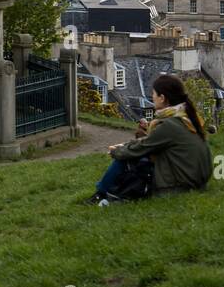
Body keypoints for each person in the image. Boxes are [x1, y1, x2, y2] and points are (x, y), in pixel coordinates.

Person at [85, 74, 212, 205]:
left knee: (128, 159)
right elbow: (151, 142)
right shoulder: (187, 117)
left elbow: (142, 147)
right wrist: (125, 145)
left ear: (162, 98)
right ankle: (109, 193)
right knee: (135, 156)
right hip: (195, 181)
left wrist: (116, 151)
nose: (152, 97)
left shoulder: (169, 125)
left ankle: (100, 194)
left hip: (179, 186)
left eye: (154, 94)